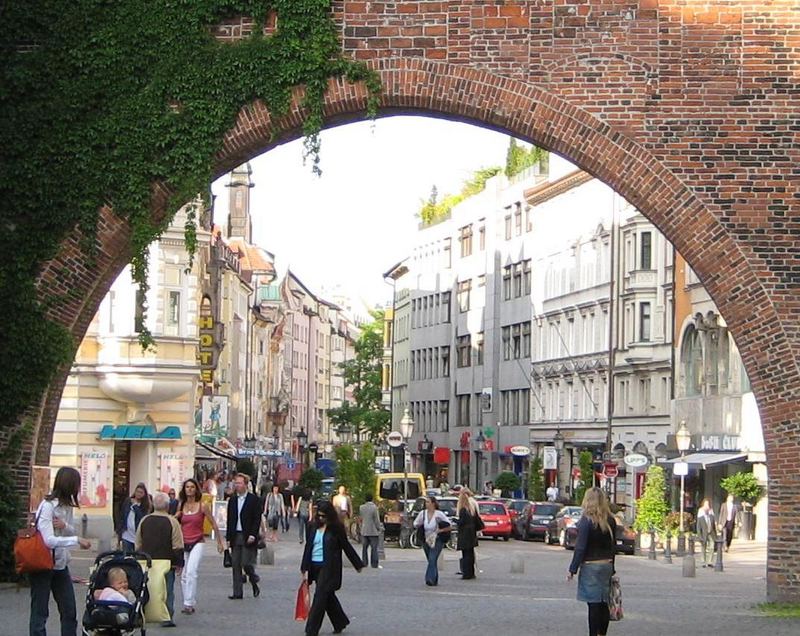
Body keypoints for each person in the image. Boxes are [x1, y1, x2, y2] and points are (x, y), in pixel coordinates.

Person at [29, 466, 92, 636]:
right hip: (43, 565)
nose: (78, 489)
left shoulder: (67, 506)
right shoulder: (48, 506)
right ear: (69, 485)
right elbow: (48, 540)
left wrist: (65, 526)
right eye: (76, 485)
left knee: (69, 611)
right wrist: (76, 540)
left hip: (60, 564)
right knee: (40, 612)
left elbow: (71, 529)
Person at [300, 501, 363, 636]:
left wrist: (357, 564)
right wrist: (304, 568)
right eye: (319, 516)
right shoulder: (312, 526)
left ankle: (311, 629)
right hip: (314, 565)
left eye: (324, 516)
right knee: (327, 596)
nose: (321, 519)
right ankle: (339, 621)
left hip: (329, 567)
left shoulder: (336, 528)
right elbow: (308, 547)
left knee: (320, 597)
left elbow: (346, 546)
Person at [567, 487, 617, 636]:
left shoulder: (586, 520)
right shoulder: (610, 520)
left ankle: (593, 634)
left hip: (591, 566)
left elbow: (580, 547)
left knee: (593, 605)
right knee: (604, 603)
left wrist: (572, 569)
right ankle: (603, 633)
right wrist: (612, 566)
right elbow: (612, 546)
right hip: (606, 564)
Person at [176, 478, 224, 615]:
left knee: (191, 571)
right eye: (187, 487)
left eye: (192, 487)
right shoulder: (181, 505)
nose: (189, 490)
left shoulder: (202, 506)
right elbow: (175, 522)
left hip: (197, 541)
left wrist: (220, 541)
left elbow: (213, 523)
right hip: (183, 542)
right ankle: (188, 599)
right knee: (184, 575)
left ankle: (188, 604)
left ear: (196, 489)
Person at [135, 492, 184, 627]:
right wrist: (179, 562)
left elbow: (138, 542)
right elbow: (177, 544)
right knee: (167, 589)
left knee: (147, 587)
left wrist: (138, 555)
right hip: (166, 561)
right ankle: (167, 615)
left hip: (147, 561)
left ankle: (144, 613)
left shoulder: (144, 520)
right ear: (168, 506)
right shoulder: (172, 521)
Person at [226, 473, 262, 599]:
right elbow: (230, 519)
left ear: (246, 485)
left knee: (246, 563)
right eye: (236, 483)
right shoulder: (233, 500)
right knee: (235, 563)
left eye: (240, 483)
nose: (237, 485)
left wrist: (253, 534)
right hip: (235, 535)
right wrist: (228, 538)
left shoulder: (254, 500)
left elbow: (256, 519)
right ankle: (237, 592)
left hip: (247, 535)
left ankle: (253, 580)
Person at [413, 496, 451, 586]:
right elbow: (415, 524)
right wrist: (419, 524)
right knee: (431, 560)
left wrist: (440, 530)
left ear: (433, 503)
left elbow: (449, 526)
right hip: (426, 539)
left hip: (437, 539)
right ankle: (435, 579)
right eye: (426, 502)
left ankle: (429, 579)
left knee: (432, 558)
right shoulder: (423, 514)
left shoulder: (439, 514)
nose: (426, 504)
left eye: (428, 502)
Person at [116, 482, 151, 553]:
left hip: (137, 535)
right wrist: (119, 534)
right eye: (137, 492)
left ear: (144, 494)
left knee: (137, 556)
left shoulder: (145, 505)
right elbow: (122, 516)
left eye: (141, 492)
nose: (138, 494)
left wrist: (135, 506)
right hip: (126, 534)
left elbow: (142, 517)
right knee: (126, 556)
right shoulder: (128, 501)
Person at [456, 489, 483, 580]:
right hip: (472, 533)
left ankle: (466, 573)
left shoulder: (463, 510)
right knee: (470, 553)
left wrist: (455, 520)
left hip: (465, 534)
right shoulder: (471, 508)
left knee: (465, 554)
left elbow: (462, 522)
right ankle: (471, 573)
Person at [358, 493, 384, 569]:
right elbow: (376, 520)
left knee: (364, 548)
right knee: (374, 548)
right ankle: (374, 564)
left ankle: (364, 563)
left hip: (364, 530)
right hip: (373, 531)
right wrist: (379, 528)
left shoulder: (361, 507)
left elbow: (361, 518)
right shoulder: (374, 508)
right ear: (372, 499)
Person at [696, 499, 718, 567]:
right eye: (706, 504)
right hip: (704, 533)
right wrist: (699, 536)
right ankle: (703, 561)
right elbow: (698, 526)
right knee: (703, 547)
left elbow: (713, 525)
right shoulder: (701, 514)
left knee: (712, 546)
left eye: (708, 504)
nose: (707, 506)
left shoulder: (711, 514)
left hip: (711, 533)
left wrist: (716, 535)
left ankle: (710, 562)